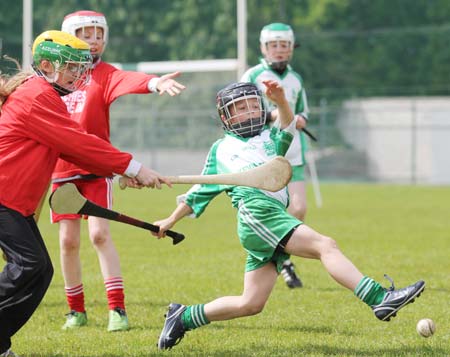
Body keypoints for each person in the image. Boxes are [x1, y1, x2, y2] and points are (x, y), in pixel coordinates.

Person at [152, 81, 425, 350]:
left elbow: (287, 126)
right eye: (240, 109)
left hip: (269, 217)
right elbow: (200, 190)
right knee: (324, 245)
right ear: (226, 117)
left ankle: (183, 317)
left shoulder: (269, 140)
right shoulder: (221, 149)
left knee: (251, 303)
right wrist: (170, 219)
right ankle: (379, 298)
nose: (249, 113)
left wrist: (281, 100)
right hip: (257, 214)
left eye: (252, 106)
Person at [0, 30, 170, 357]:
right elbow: (78, 143)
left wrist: (120, 171)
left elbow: (71, 148)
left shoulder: (43, 96)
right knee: (30, 267)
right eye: (72, 68)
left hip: (13, 203)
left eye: (82, 68)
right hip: (4, 198)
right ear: (47, 65)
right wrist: (134, 167)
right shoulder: (36, 95)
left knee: (39, 270)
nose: (79, 75)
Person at [51, 10, 185, 332]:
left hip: (97, 168)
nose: (94, 41)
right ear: (70, 36)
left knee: (99, 234)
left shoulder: (106, 74)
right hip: (61, 170)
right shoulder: (54, 77)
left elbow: (130, 80)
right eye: (86, 34)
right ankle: (76, 311)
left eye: (99, 35)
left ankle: (117, 309)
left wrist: (155, 83)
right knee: (68, 242)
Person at [241, 23, 308, 289]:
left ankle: (282, 258)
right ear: (263, 48)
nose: (279, 51)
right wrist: (271, 115)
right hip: (264, 153)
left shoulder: (296, 79)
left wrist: (300, 118)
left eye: (284, 45)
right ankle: (282, 263)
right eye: (274, 45)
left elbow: (304, 110)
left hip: (294, 151)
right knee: (274, 209)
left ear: (291, 49)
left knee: (299, 208)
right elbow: (242, 110)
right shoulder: (253, 75)